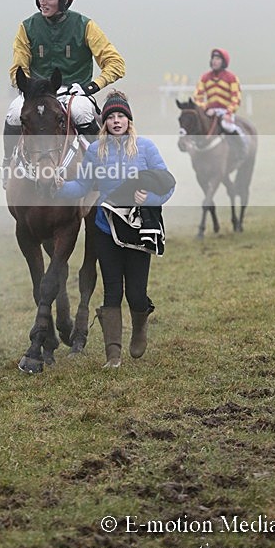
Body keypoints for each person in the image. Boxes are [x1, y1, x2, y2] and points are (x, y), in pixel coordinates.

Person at [54, 91, 175, 368]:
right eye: (111, 117)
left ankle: (140, 327)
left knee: (135, 292)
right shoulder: (96, 151)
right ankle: (113, 355)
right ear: (104, 122)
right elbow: (82, 187)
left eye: (121, 116)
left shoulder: (145, 148)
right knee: (111, 291)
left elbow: (168, 184)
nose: (116, 121)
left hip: (137, 230)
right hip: (105, 228)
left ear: (129, 120)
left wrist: (151, 200)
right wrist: (61, 187)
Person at [3, 0, 126, 180]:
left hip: (73, 93)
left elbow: (115, 63)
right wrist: (28, 87)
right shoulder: (27, 27)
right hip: (36, 93)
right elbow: (17, 69)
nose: (43, 2)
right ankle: (7, 163)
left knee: (83, 112)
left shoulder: (86, 26)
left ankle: (101, 169)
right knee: (14, 113)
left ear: (64, 0)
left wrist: (91, 87)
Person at [193, 48, 247, 163]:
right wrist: (206, 108)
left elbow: (236, 98)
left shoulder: (231, 78)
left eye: (217, 59)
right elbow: (197, 97)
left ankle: (241, 148)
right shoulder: (205, 77)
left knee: (227, 126)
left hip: (225, 112)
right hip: (210, 111)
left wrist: (229, 113)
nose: (214, 61)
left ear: (223, 62)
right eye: (213, 58)